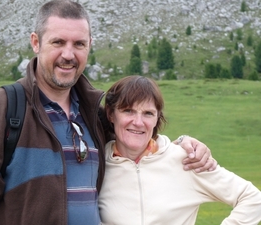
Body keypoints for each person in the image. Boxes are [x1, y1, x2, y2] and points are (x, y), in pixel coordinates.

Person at [0, 1, 216, 225]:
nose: (68, 54)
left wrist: (184, 144)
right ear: (36, 43)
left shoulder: (95, 115)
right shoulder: (3, 106)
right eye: (58, 42)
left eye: (79, 44)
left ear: (89, 46)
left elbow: (137, 142)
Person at [98, 75, 261, 225]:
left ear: (157, 119)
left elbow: (253, 199)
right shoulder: (96, 164)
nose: (138, 122)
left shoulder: (186, 161)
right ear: (111, 114)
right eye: (128, 111)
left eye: (148, 113)